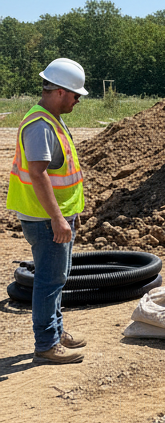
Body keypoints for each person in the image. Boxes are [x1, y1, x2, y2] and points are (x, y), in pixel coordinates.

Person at [7, 59, 89, 364]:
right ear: (60, 91)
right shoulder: (40, 125)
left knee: (57, 278)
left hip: (57, 216)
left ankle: (55, 330)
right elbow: (38, 174)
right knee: (49, 281)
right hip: (45, 219)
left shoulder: (52, 119)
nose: (78, 100)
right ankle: (46, 344)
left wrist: (70, 212)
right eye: (76, 95)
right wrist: (57, 218)